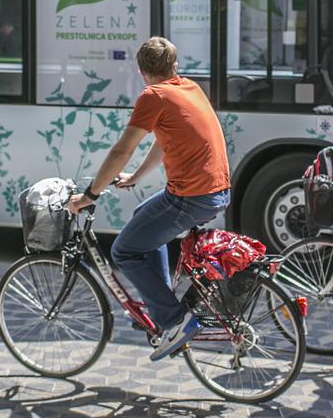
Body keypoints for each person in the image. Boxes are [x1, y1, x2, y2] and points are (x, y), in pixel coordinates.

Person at [66, 36, 231, 360]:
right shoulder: (189, 88)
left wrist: (90, 194)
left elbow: (120, 151)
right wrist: (137, 177)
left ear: (142, 71)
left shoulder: (152, 96)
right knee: (146, 216)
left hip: (191, 197)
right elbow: (164, 139)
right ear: (175, 66)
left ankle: (173, 319)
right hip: (217, 191)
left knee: (124, 251)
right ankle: (162, 302)